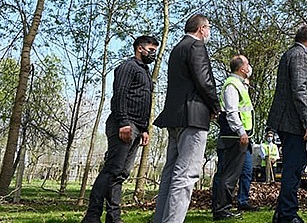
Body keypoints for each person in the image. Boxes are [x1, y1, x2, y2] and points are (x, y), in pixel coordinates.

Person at [82, 36, 159, 223]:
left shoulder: (145, 72)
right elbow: (119, 96)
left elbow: (143, 103)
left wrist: (144, 129)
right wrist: (124, 122)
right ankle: (92, 216)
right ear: (140, 48)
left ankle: (113, 217)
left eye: (155, 51)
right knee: (111, 170)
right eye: (151, 50)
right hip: (123, 124)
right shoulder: (128, 67)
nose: (153, 54)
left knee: (120, 174)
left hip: (137, 128)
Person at [152, 14, 219, 223]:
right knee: (186, 175)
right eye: (208, 28)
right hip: (193, 117)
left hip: (175, 118)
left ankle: (160, 219)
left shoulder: (177, 48)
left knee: (171, 173)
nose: (208, 33)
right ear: (201, 29)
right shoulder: (196, 47)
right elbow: (204, 81)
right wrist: (215, 107)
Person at [267, 24, 307, 223]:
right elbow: (299, 90)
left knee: (295, 164)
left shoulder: (293, 54)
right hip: (292, 122)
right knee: (294, 166)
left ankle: (282, 212)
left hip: (290, 121)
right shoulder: (300, 55)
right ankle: (287, 214)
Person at [212, 55, 255, 220]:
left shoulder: (240, 84)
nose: (249, 66)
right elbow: (231, 111)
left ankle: (224, 208)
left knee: (236, 173)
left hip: (239, 136)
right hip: (234, 136)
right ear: (242, 68)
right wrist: (240, 131)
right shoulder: (232, 85)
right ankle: (222, 210)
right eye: (247, 63)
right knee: (228, 175)